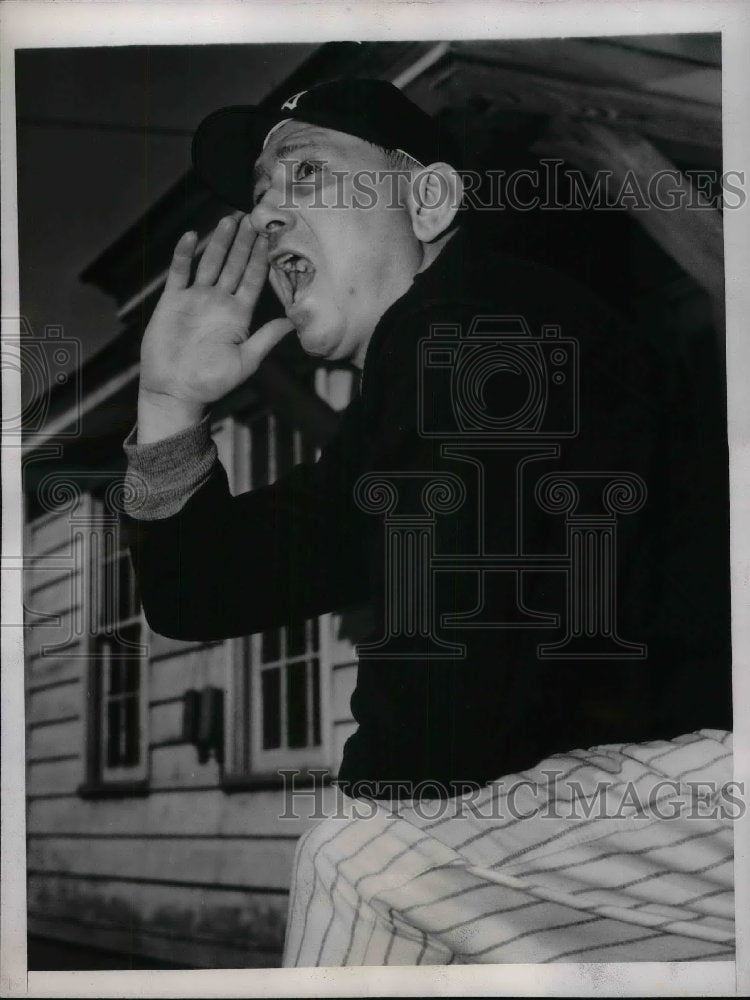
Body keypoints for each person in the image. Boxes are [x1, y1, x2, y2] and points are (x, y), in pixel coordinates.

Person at [122, 78, 731, 803]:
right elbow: (202, 591)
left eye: (307, 172)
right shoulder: (425, 366)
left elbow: (444, 711)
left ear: (429, 202)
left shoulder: (474, 327)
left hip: (698, 783)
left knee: (358, 856)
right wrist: (170, 401)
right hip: (647, 794)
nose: (263, 215)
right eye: (259, 194)